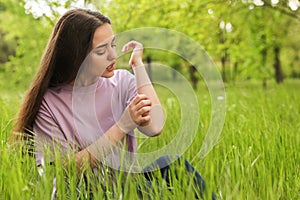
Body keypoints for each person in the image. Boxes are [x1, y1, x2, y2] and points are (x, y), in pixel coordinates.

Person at [11, 8, 215, 199]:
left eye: (113, 45)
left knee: (171, 163)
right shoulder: (49, 104)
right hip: (82, 195)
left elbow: (155, 127)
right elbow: (62, 171)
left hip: (124, 189)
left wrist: (138, 67)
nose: (114, 56)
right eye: (101, 51)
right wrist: (122, 126)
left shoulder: (121, 82)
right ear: (76, 57)